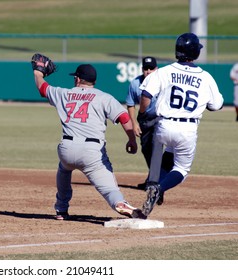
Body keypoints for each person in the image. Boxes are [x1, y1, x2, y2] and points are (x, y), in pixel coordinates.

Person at [31, 55, 146, 220]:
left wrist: (38, 73)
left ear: (77, 79)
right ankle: (119, 203)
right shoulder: (104, 97)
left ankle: (61, 209)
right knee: (109, 189)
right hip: (92, 152)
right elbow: (124, 118)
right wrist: (132, 140)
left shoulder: (65, 94)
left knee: (64, 169)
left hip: (67, 148)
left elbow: (43, 88)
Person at [138, 33, 224, 218]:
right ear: (195, 52)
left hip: (163, 126)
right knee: (182, 170)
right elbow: (216, 105)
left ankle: (154, 186)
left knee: (168, 154)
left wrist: (142, 113)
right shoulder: (205, 77)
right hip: (187, 128)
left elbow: (145, 95)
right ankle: (159, 188)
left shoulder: (164, 71)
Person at [126, 57, 174, 191]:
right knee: (146, 150)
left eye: (151, 68)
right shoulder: (135, 83)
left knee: (156, 149)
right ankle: (153, 178)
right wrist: (134, 123)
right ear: (142, 69)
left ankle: (155, 181)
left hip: (160, 119)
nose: (148, 71)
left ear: (156, 69)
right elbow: (130, 104)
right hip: (144, 120)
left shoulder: (163, 81)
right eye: (145, 68)